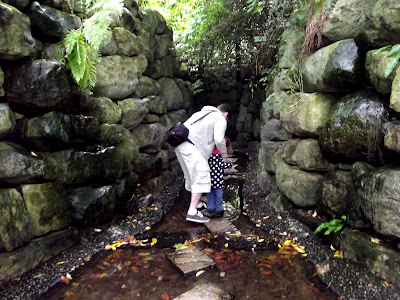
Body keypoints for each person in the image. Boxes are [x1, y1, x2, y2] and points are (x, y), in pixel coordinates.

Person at [175, 104, 231, 223]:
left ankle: (199, 204)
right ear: (225, 114)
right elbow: (219, 139)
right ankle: (192, 211)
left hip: (180, 145)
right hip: (193, 147)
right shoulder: (220, 118)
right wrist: (224, 156)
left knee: (191, 176)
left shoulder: (201, 114)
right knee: (202, 175)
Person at [205, 137, 233, 218]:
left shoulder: (209, 156)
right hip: (218, 180)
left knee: (210, 194)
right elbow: (223, 165)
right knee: (218, 195)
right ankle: (219, 209)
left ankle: (210, 207)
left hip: (209, 180)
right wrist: (230, 163)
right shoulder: (220, 157)